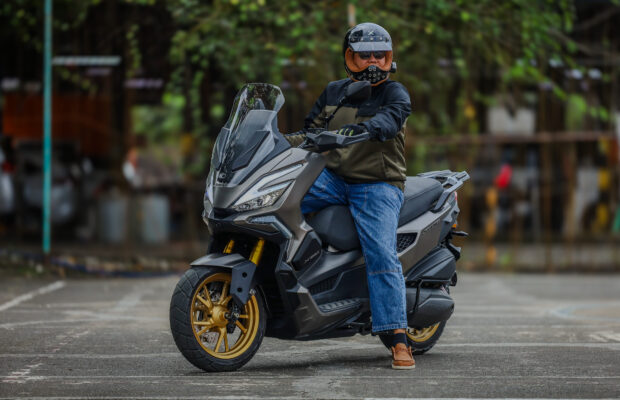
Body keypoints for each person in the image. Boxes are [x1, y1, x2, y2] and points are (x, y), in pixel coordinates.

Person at [285, 22, 414, 369]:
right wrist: (277, 142)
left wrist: (364, 129)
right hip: (332, 178)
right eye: (364, 55)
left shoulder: (395, 93)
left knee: (381, 252)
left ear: (389, 58)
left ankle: (398, 336)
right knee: (278, 199)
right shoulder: (334, 92)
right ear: (349, 58)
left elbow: (390, 122)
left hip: (377, 183)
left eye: (380, 55)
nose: (373, 61)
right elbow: (310, 132)